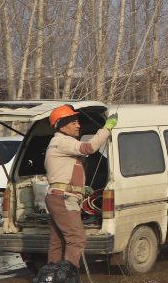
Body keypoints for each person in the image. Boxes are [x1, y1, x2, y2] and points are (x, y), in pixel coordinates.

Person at [44, 105, 115, 268]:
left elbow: (64, 172)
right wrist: (106, 129)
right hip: (63, 198)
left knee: (58, 241)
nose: (78, 125)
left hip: (57, 196)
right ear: (63, 125)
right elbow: (89, 148)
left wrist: (81, 189)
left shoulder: (57, 142)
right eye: (74, 122)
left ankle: (52, 276)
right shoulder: (63, 141)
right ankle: (68, 277)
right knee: (76, 238)